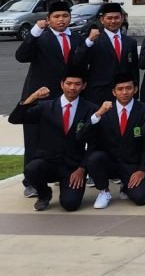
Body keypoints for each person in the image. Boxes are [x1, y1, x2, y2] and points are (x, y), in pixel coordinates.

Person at [15, 1, 84, 197]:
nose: (61, 20)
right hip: (40, 96)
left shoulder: (78, 38)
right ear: (48, 19)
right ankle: (31, 182)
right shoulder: (39, 37)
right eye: (56, 16)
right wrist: (35, 31)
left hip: (67, 97)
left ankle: (63, 175)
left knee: (65, 138)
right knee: (34, 138)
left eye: (65, 16)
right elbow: (21, 56)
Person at [10, 69, 96, 212]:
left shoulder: (91, 109)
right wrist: (32, 97)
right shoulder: (45, 106)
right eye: (69, 83)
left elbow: (94, 143)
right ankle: (44, 194)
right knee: (31, 169)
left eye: (77, 84)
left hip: (72, 167)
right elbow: (15, 118)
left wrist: (82, 169)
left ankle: (67, 189)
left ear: (84, 86)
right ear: (62, 84)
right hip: (48, 162)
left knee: (70, 205)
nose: (72, 87)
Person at [84, 76, 145, 208]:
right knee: (94, 158)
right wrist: (98, 114)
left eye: (128, 88)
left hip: (133, 165)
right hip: (110, 162)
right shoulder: (104, 110)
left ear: (135, 89)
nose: (124, 92)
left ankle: (126, 187)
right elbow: (83, 135)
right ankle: (104, 191)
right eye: (120, 89)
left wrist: (142, 170)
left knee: (141, 198)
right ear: (113, 92)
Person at [75, 2, 138, 107]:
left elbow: (134, 69)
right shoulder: (93, 40)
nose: (113, 21)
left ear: (122, 18)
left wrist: (135, 94)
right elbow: (78, 62)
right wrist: (89, 41)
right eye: (109, 18)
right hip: (99, 93)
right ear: (102, 20)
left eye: (116, 18)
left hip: (124, 94)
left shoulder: (130, 42)